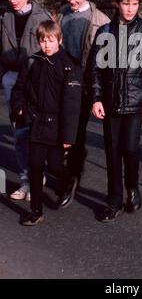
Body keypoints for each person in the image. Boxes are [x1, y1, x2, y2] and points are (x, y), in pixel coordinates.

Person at [88, 0, 142, 222]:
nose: (130, 8)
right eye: (125, 3)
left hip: (136, 101)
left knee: (130, 148)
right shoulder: (105, 32)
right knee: (112, 152)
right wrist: (96, 98)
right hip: (110, 103)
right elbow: (95, 70)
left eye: (135, 3)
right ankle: (114, 199)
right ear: (116, 3)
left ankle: (132, 188)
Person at [11, 21, 83, 225]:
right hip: (37, 122)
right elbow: (19, 89)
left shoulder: (70, 65)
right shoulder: (33, 61)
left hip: (59, 125)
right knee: (34, 165)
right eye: (43, 41)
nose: (47, 45)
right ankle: (36, 210)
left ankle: (69, 179)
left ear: (59, 40)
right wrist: (20, 107)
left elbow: (72, 105)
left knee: (54, 165)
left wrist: (69, 136)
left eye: (51, 41)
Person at [0, 0, 51, 201]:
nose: (13, 0)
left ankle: (38, 177)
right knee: (19, 132)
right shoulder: (5, 18)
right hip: (13, 79)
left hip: (36, 79)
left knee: (36, 132)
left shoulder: (42, 17)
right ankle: (24, 180)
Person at [58, 0, 110, 184]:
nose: (71, 1)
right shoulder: (61, 14)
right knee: (63, 126)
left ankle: (73, 175)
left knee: (76, 129)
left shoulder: (101, 21)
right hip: (63, 78)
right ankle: (67, 165)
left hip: (86, 83)